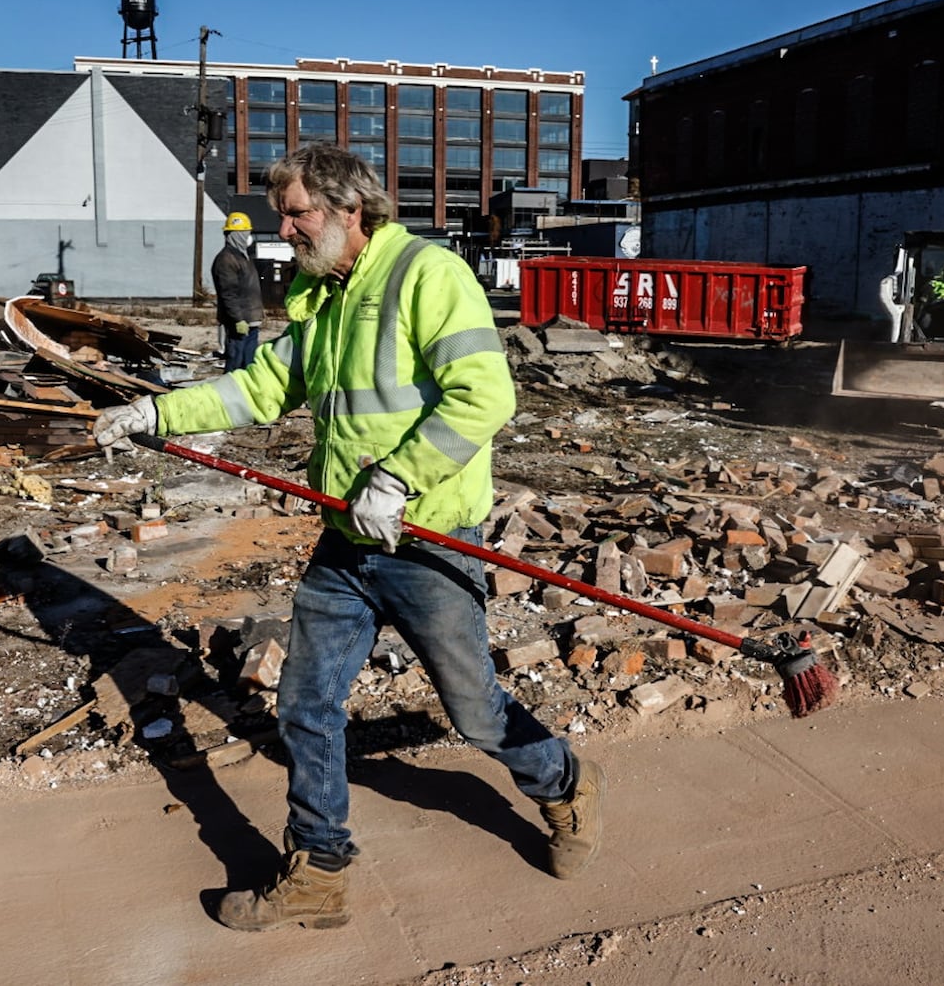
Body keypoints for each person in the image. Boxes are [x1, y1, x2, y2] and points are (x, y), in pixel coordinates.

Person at [93, 143, 603, 933]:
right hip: (346, 540)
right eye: (282, 216)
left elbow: (485, 393)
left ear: (348, 208)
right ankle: (320, 868)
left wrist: (399, 478)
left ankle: (564, 782)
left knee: (474, 713)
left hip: (428, 538)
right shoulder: (318, 291)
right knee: (304, 703)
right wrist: (155, 412)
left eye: (296, 213)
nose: (285, 228)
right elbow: (262, 385)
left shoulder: (426, 275)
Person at [213, 211, 263, 372]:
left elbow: (250, 288)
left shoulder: (243, 257)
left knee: (248, 365)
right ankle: (230, 395)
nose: (248, 236)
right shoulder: (226, 260)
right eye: (245, 232)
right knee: (236, 364)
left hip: (251, 321)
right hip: (239, 324)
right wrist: (238, 319)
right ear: (236, 235)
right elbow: (228, 294)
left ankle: (245, 396)